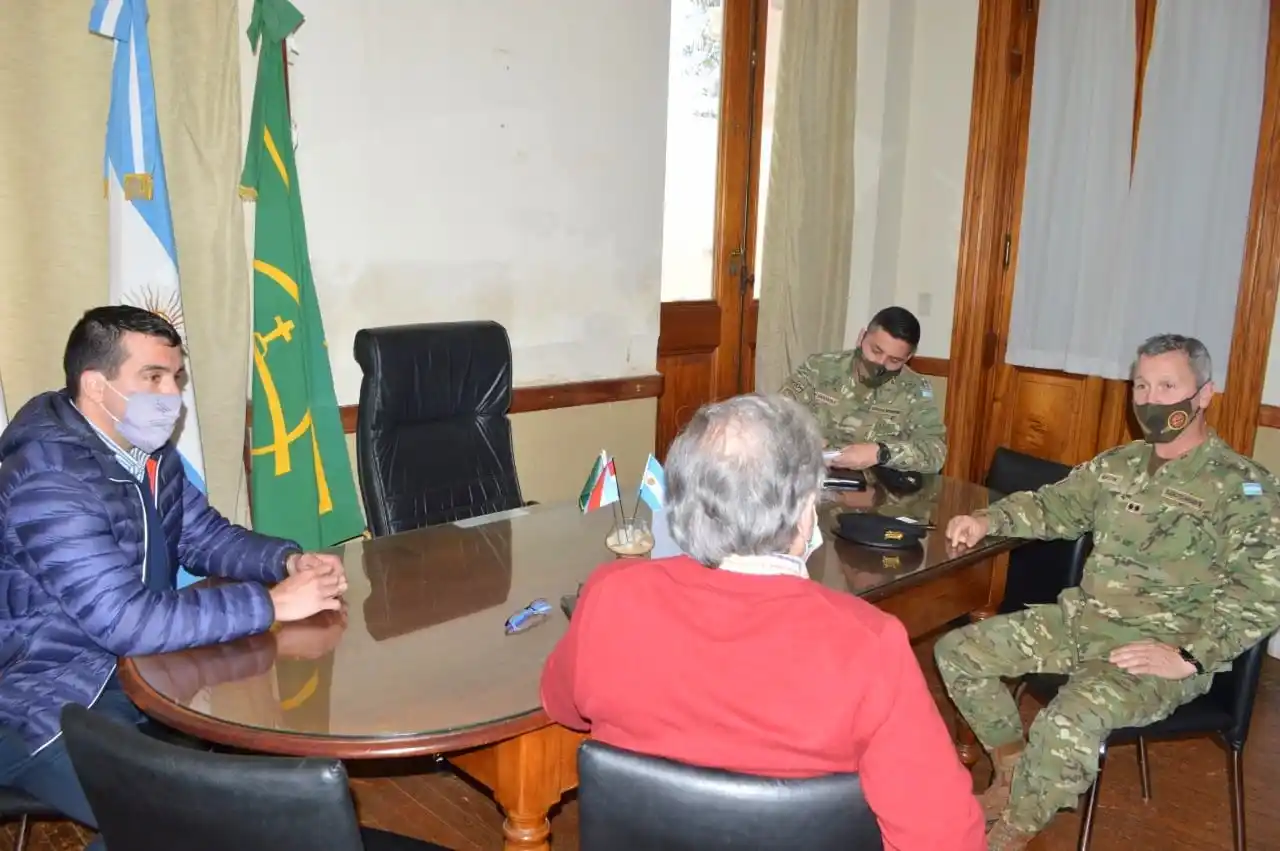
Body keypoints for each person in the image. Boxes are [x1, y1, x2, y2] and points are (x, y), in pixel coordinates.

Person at [540, 394, 984, 851]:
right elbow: (945, 840)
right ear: (806, 509)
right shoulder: (870, 643)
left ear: (683, 501)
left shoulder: (611, 593)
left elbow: (562, 706)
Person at [0, 306, 348, 847]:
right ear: (95, 386)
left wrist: (285, 562)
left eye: (176, 378)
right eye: (153, 377)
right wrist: (274, 604)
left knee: (240, 807)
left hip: (133, 674)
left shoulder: (146, 455)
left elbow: (203, 538)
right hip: (42, 704)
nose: (172, 396)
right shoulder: (48, 481)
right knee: (192, 826)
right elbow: (126, 621)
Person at [933, 334, 1280, 850]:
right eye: (1141, 386)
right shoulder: (1120, 464)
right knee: (959, 651)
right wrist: (988, 519)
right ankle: (1015, 775)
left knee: (1068, 719)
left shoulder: (1242, 486)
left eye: (1168, 386)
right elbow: (1054, 506)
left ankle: (1011, 832)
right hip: (1086, 622)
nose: (1151, 400)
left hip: (1157, 650)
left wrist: (1190, 656)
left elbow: (1263, 593)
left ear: (1204, 394)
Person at [781, 305, 946, 473]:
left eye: (894, 360)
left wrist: (880, 453)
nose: (880, 363)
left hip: (876, 483)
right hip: (812, 474)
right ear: (861, 337)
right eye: (876, 350)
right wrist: (804, 440)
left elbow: (935, 451)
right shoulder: (819, 367)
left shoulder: (915, 389)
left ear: (908, 358)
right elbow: (777, 417)